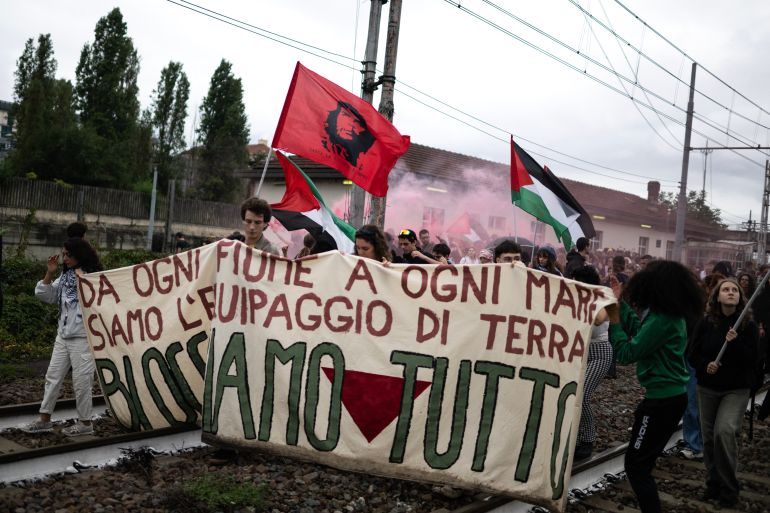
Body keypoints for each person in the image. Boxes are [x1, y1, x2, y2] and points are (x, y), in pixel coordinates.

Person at [605, 260, 705, 513]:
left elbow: (628, 353)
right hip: (668, 400)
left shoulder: (663, 319)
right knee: (642, 464)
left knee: (637, 466)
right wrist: (622, 305)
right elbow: (642, 332)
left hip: (661, 404)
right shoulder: (667, 316)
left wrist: (615, 320)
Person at [688, 278, 759, 507]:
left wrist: (735, 342)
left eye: (734, 290)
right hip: (707, 388)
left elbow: (754, 360)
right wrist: (705, 365)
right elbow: (692, 354)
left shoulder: (746, 325)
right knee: (709, 440)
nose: (730, 293)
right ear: (717, 297)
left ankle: (730, 488)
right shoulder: (706, 322)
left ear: (740, 297)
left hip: (735, 389)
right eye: (726, 290)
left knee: (724, 432)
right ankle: (713, 483)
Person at [22, 238, 103, 436]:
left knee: (82, 381)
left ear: (79, 255)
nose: (64, 258)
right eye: (64, 254)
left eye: (68, 255)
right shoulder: (64, 277)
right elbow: (46, 295)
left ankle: (85, 423)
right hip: (63, 336)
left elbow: (100, 301)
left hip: (83, 339)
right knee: (53, 377)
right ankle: (45, 419)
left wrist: (82, 280)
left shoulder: (94, 277)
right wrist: (49, 272)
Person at [571, 265, 613, 460]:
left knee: (582, 394)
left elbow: (598, 320)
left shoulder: (604, 297)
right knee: (573, 395)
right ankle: (576, 438)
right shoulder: (573, 299)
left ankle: (587, 439)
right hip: (579, 352)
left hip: (599, 352)